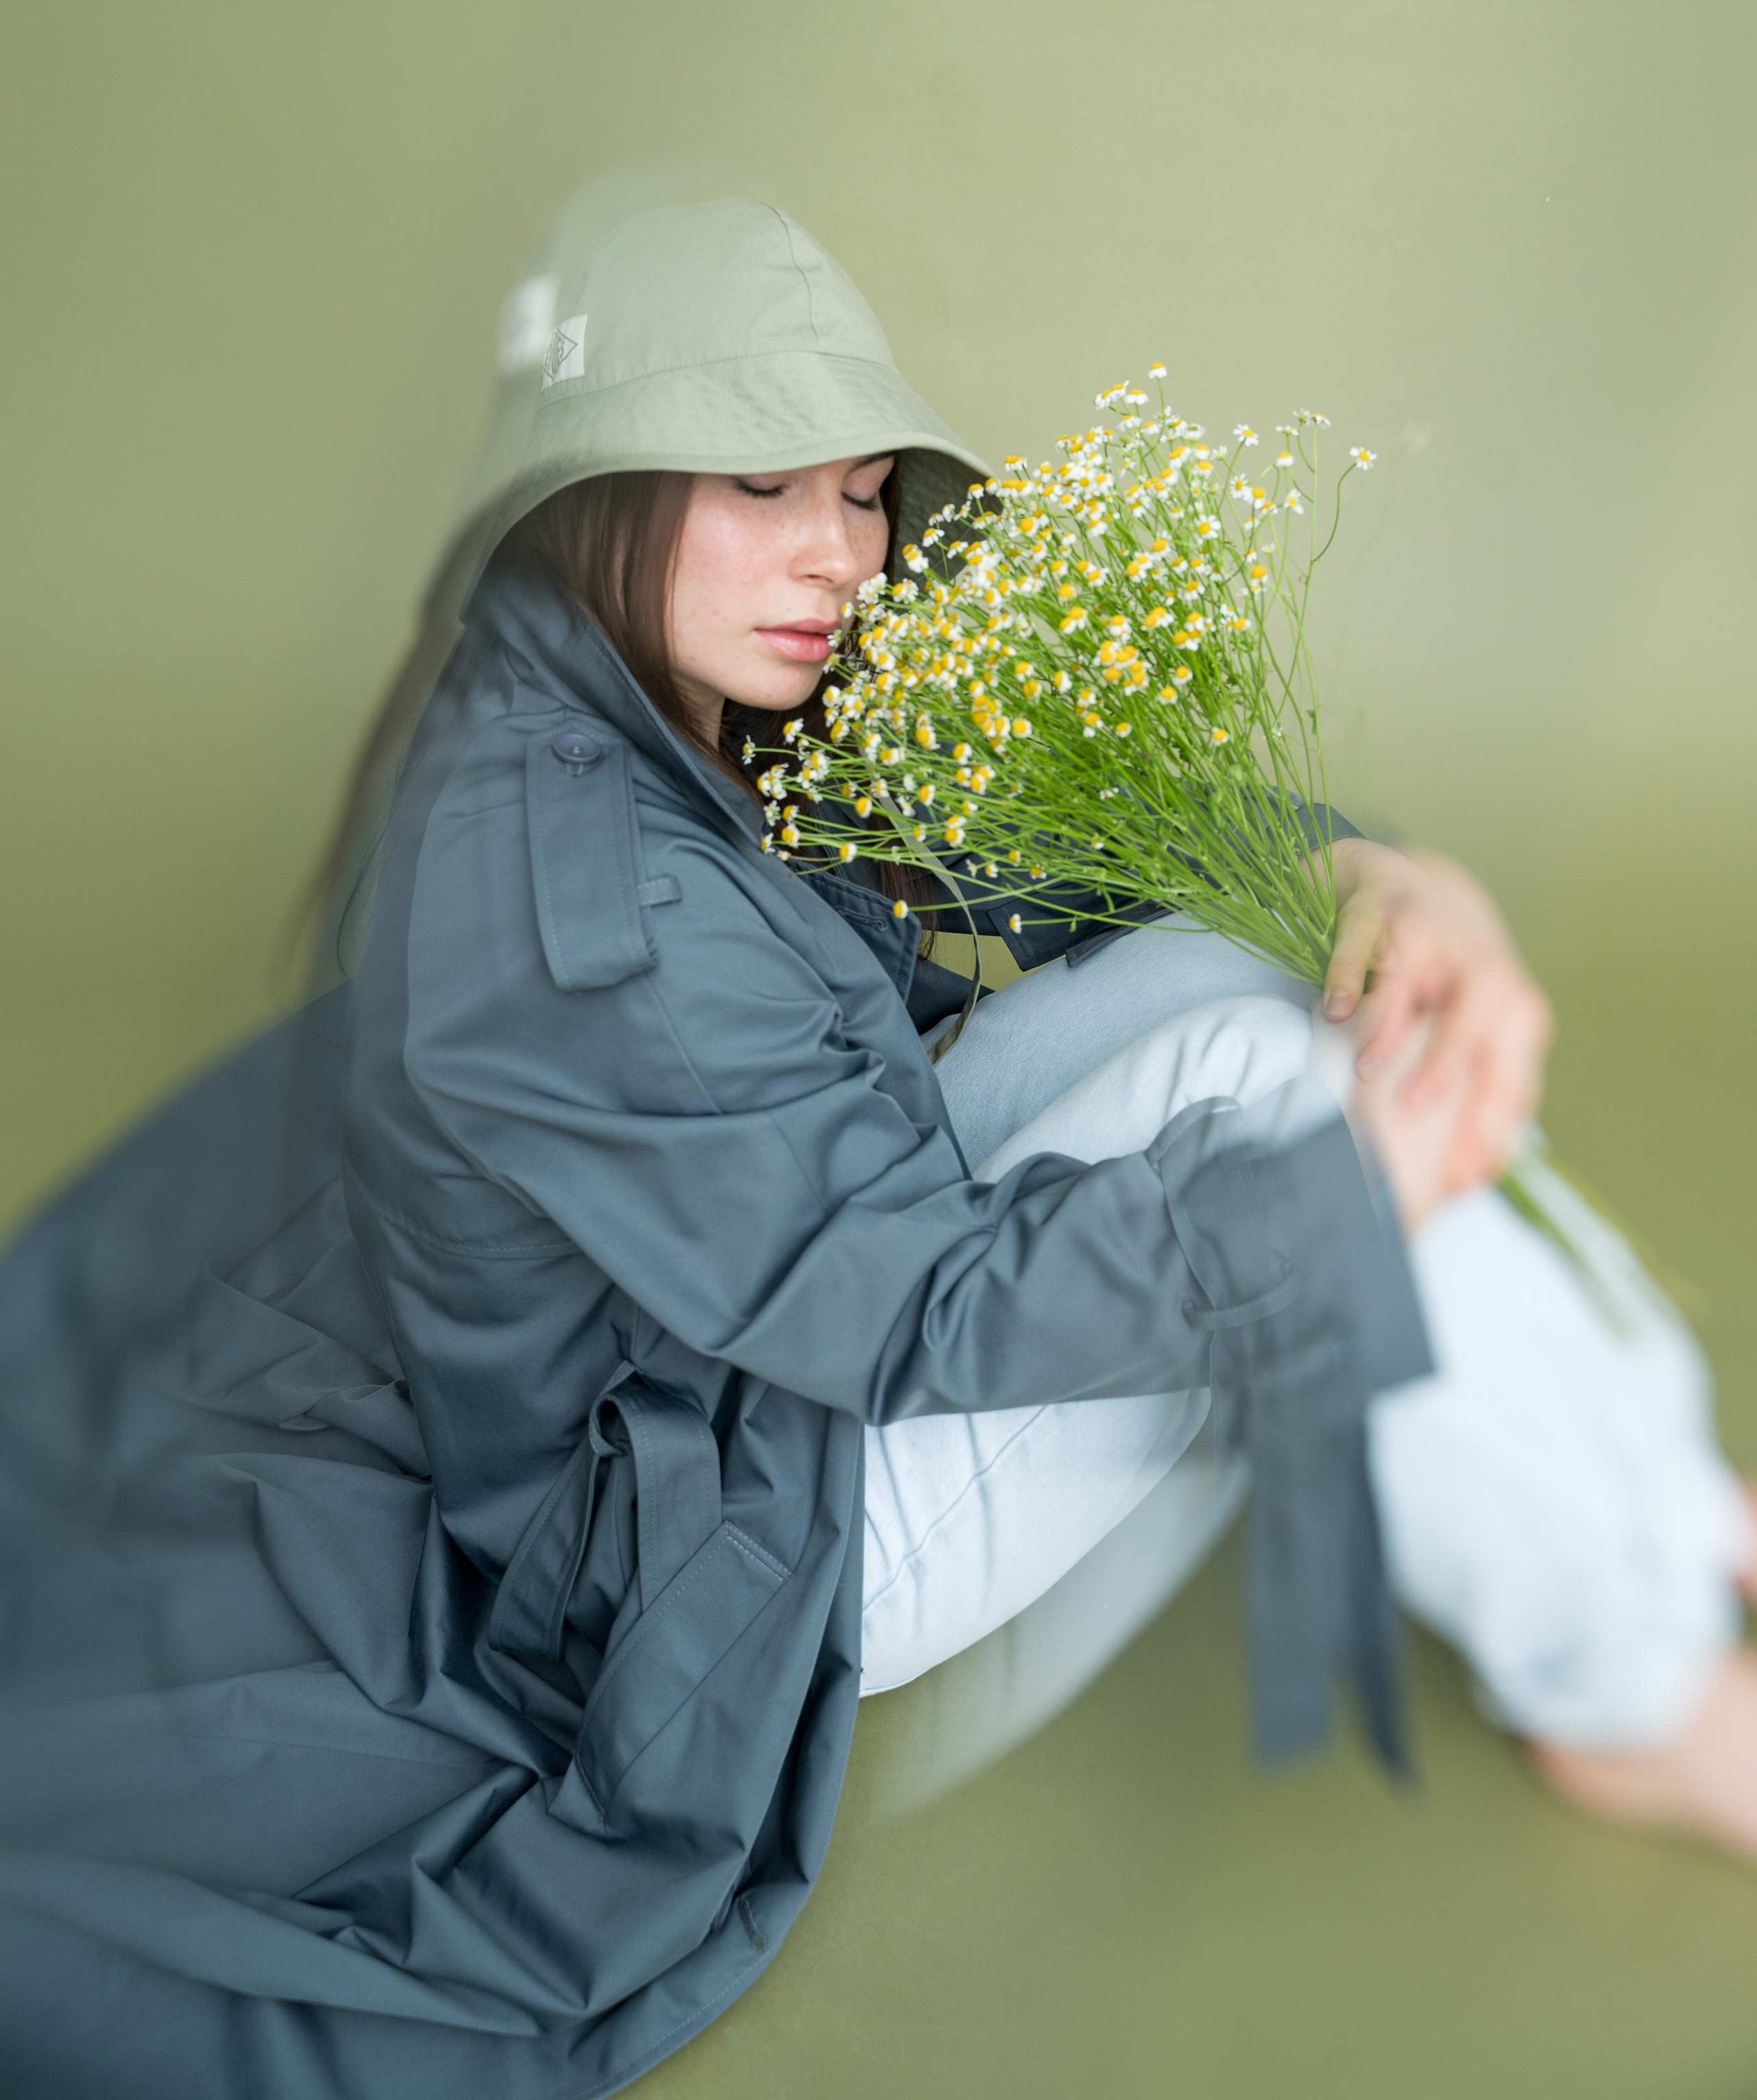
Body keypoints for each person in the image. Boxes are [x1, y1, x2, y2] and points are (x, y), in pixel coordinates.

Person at [0, 191, 1749, 2100]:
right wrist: (1326, 1209)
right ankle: (1641, 1684)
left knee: (1290, 991)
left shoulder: (686, 682)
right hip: (750, 1532)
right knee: (1313, 1122)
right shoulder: (575, 906)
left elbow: (1070, 866)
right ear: (593, 492)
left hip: (784, 1320)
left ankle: (1649, 1507)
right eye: (761, 485)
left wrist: (1372, 875)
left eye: (854, 489)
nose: (835, 553)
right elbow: (916, 1319)